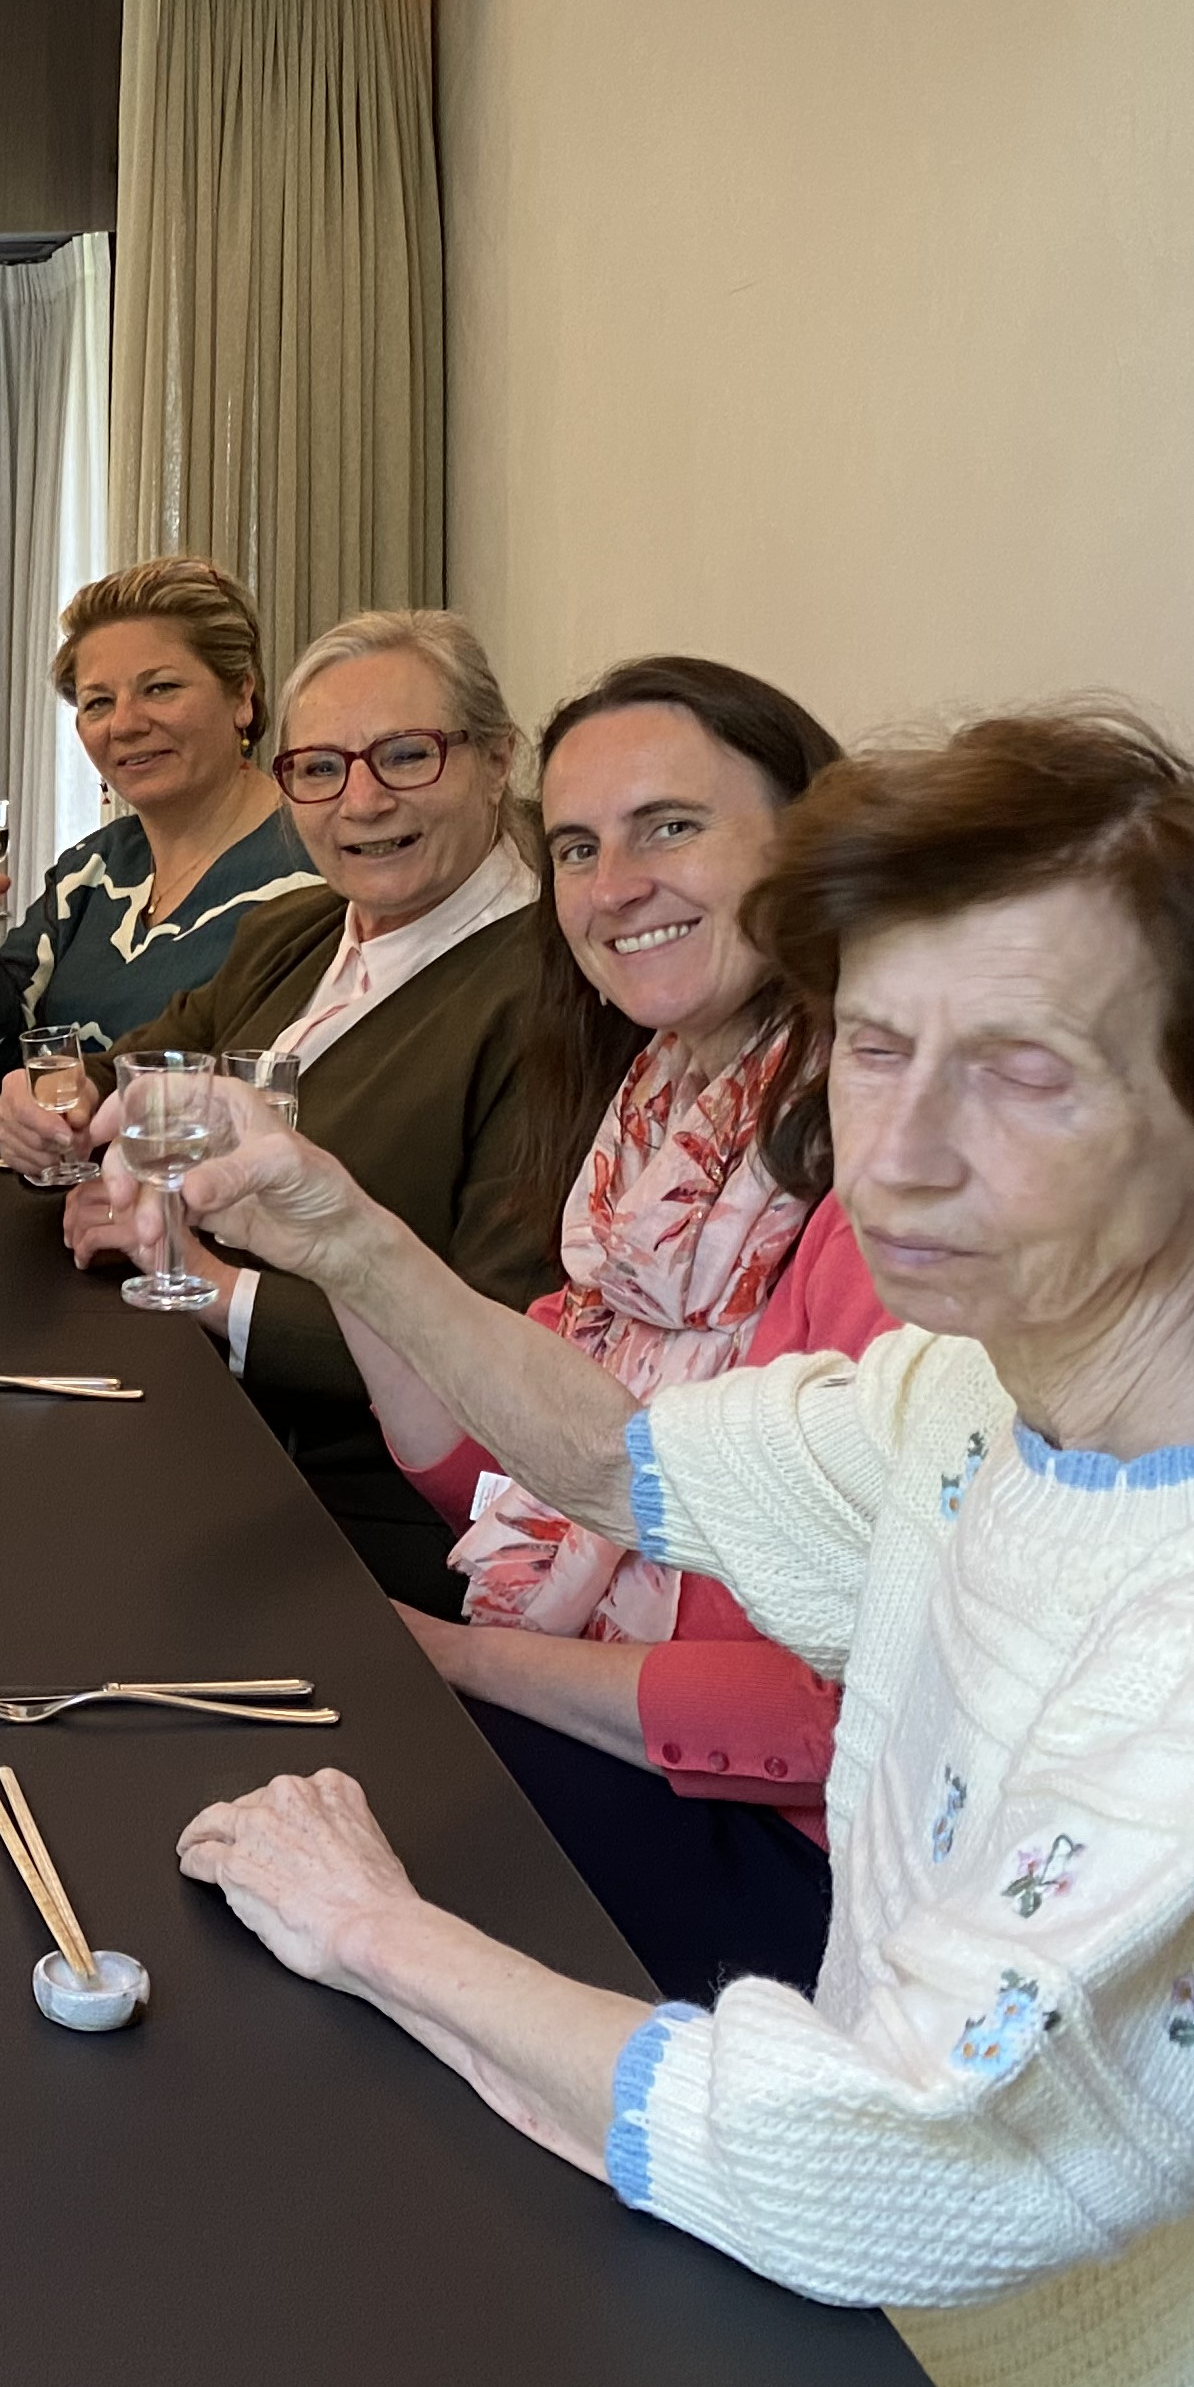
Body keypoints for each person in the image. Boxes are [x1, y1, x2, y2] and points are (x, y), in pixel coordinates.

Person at [162, 713, 1194, 2387]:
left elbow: (886, 2160)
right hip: (900, 2291)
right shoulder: (986, 1382)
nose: (899, 1149)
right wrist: (339, 1231)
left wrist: (377, 1928)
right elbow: (626, 1462)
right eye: (872, 1043)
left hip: (1139, 2376)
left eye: (1021, 1066)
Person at [371, 657, 890, 2003]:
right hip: (620, 1735)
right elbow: (487, 1476)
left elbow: (831, 1713)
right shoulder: (651, 1123)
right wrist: (325, 1238)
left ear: (813, 848)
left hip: (799, 1861)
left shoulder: (890, 1189)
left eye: (671, 827)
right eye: (580, 848)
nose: (613, 890)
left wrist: (459, 1658)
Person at [2, 607, 560, 1607]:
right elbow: (129, 1080)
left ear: (495, 762)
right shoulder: (300, 930)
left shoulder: (549, 997)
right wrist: (48, 1109)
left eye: (404, 756)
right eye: (321, 768)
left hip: (353, 1503)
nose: (362, 801)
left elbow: (500, 1336)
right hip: (192, 1407)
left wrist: (209, 1283)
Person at [0, 555, 319, 1069]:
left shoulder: (313, 870)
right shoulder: (90, 871)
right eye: (98, 702)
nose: (125, 725)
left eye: (161, 688)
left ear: (242, 695)